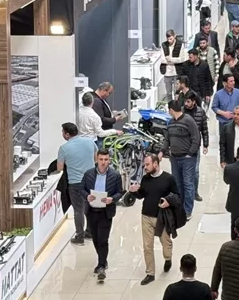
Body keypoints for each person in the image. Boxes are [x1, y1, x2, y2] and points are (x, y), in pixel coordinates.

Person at [127, 153, 181, 284]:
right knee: (147, 246)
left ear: (155, 164)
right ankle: (150, 273)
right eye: (144, 165)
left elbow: (177, 196)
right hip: (146, 216)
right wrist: (134, 191)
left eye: (147, 164)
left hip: (162, 217)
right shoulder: (145, 179)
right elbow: (142, 195)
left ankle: (168, 258)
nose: (145, 167)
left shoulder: (169, 179)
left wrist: (168, 201)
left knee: (166, 243)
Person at [83, 149, 123, 282]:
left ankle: (101, 266)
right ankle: (103, 260)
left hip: (106, 212)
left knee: (103, 240)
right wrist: (87, 196)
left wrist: (113, 199)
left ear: (109, 160)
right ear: (97, 160)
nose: (103, 162)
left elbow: (120, 192)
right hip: (91, 211)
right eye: (101, 159)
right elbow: (81, 189)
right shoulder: (88, 174)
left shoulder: (115, 175)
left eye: (106, 160)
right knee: (95, 238)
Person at [57, 122, 98, 244]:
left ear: (67, 134)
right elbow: (96, 159)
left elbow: (59, 168)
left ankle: (80, 236)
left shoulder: (64, 148)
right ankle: (90, 232)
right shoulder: (90, 142)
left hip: (75, 183)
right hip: (91, 180)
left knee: (78, 210)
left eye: (62, 132)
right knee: (90, 207)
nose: (62, 134)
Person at [163, 99, 204, 214]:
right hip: (174, 158)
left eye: (169, 110)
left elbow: (196, 138)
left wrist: (190, 154)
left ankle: (187, 210)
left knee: (188, 184)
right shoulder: (171, 122)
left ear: (171, 110)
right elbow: (167, 139)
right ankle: (179, 207)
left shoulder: (188, 120)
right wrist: (162, 152)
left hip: (187, 159)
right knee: (177, 184)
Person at [162, 29, 185, 94]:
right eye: (168, 39)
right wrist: (175, 60)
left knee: (177, 92)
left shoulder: (180, 45)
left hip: (177, 71)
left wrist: (170, 59)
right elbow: (163, 60)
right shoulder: (164, 45)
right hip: (167, 72)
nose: (169, 41)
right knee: (168, 93)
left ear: (174, 36)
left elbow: (182, 59)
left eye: (171, 39)